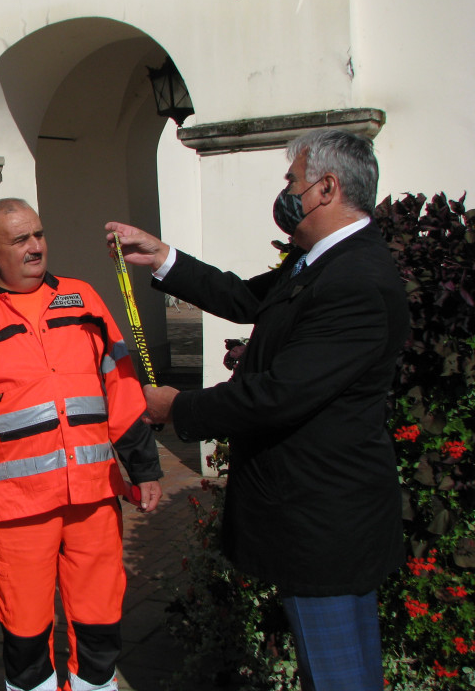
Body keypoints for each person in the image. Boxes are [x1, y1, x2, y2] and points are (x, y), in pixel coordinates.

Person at [106, 129, 407, 691]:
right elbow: (246, 299)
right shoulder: (323, 261)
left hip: (326, 524)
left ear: (326, 188)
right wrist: (163, 257)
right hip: (311, 515)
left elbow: (279, 395)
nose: (285, 192)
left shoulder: (354, 280)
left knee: (340, 675)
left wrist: (176, 407)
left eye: (292, 181)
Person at [0, 197, 163, 691]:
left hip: (94, 496)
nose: (36, 247)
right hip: (19, 509)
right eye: (20, 240)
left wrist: (143, 466)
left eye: (38, 234)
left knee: (99, 617)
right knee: (25, 626)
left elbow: (120, 385)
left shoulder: (82, 300)